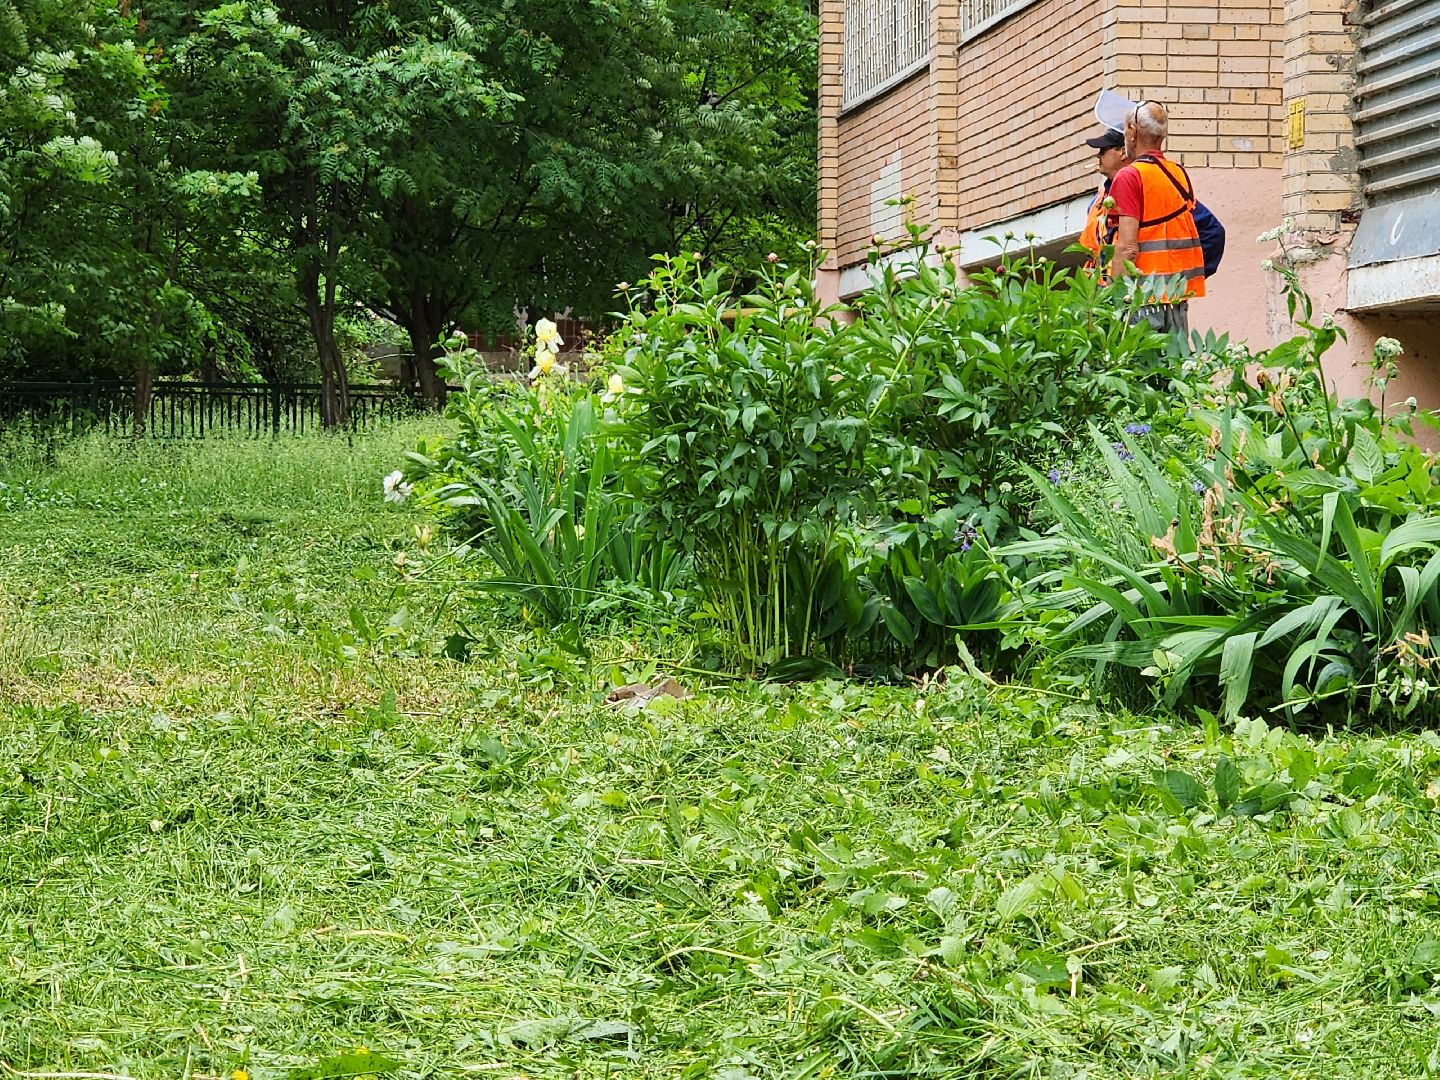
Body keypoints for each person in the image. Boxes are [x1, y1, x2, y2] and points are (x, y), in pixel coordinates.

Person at [1109, 100, 1205, 336]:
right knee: (1173, 367)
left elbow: (1127, 246)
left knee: (1137, 368)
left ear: (1133, 132)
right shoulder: (1178, 173)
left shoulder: (1129, 176)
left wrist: (1112, 297)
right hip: (1175, 295)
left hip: (1142, 297)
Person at [1078, 127, 1128, 281]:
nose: (1098, 155)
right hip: (1099, 294)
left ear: (1123, 152)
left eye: (1103, 150)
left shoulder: (1142, 189)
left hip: (1129, 292)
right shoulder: (1098, 201)